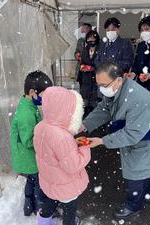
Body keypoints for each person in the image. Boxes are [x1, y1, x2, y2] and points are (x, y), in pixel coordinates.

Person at [82, 62, 150, 219]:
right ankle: (146, 194)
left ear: (119, 79)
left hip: (145, 142)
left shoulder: (138, 98)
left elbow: (132, 134)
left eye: (104, 85)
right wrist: (84, 125)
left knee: (137, 173)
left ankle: (133, 206)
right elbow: (104, 108)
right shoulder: (116, 90)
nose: (101, 89)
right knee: (142, 172)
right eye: (98, 84)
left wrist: (102, 141)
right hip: (138, 138)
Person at [34, 87, 91, 225]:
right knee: (69, 209)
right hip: (65, 185)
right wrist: (84, 148)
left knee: (50, 201)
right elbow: (73, 165)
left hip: (50, 180)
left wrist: (72, 142)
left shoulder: (41, 126)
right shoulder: (62, 137)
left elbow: (52, 151)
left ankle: (43, 221)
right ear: (65, 112)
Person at [11, 71, 53, 216]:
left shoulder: (27, 105)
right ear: (32, 92)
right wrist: (47, 143)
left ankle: (28, 208)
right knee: (38, 183)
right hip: (29, 157)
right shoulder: (27, 114)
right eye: (43, 95)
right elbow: (29, 141)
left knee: (31, 180)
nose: (45, 99)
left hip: (24, 156)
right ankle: (41, 209)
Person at [79, 30, 100, 117]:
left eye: (93, 37)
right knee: (84, 102)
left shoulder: (101, 49)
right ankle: (85, 121)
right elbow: (82, 62)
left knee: (95, 102)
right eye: (89, 38)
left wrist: (93, 68)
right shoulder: (85, 50)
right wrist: (82, 67)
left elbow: (102, 64)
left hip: (97, 79)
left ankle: (95, 120)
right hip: (85, 79)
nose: (91, 39)